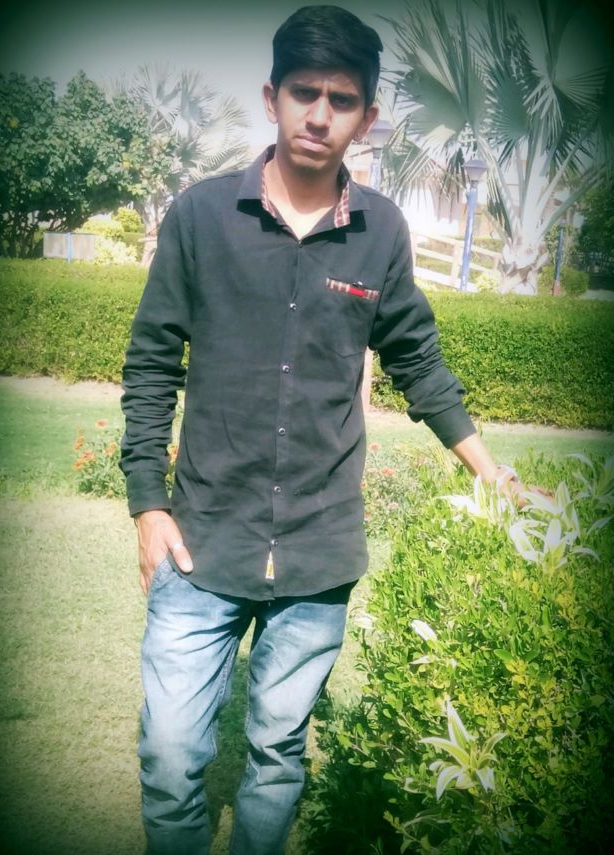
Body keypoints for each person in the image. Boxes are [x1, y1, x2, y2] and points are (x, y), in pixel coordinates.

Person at [119, 6, 525, 853]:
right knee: (170, 752)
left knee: (276, 756)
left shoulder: (381, 232)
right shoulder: (200, 216)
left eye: (341, 100)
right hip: (202, 542)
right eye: (304, 92)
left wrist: (488, 470)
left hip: (318, 548)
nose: (319, 114)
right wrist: (148, 505)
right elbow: (152, 363)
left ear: (366, 118)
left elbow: (417, 359)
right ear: (272, 96)